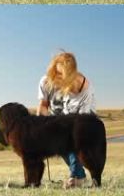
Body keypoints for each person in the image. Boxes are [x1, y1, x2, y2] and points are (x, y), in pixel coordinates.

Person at [37, 51, 95, 188]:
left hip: (81, 123)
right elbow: (44, 105)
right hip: (57, 122)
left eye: (60, 75)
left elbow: (81, 124)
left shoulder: (84, 88)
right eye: (55, 72)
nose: (55, 78)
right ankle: (79, 175)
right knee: (58, 142)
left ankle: (76, 176)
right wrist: (42, 122)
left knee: (71, 140)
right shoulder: (46, 81)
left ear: (70, 75)